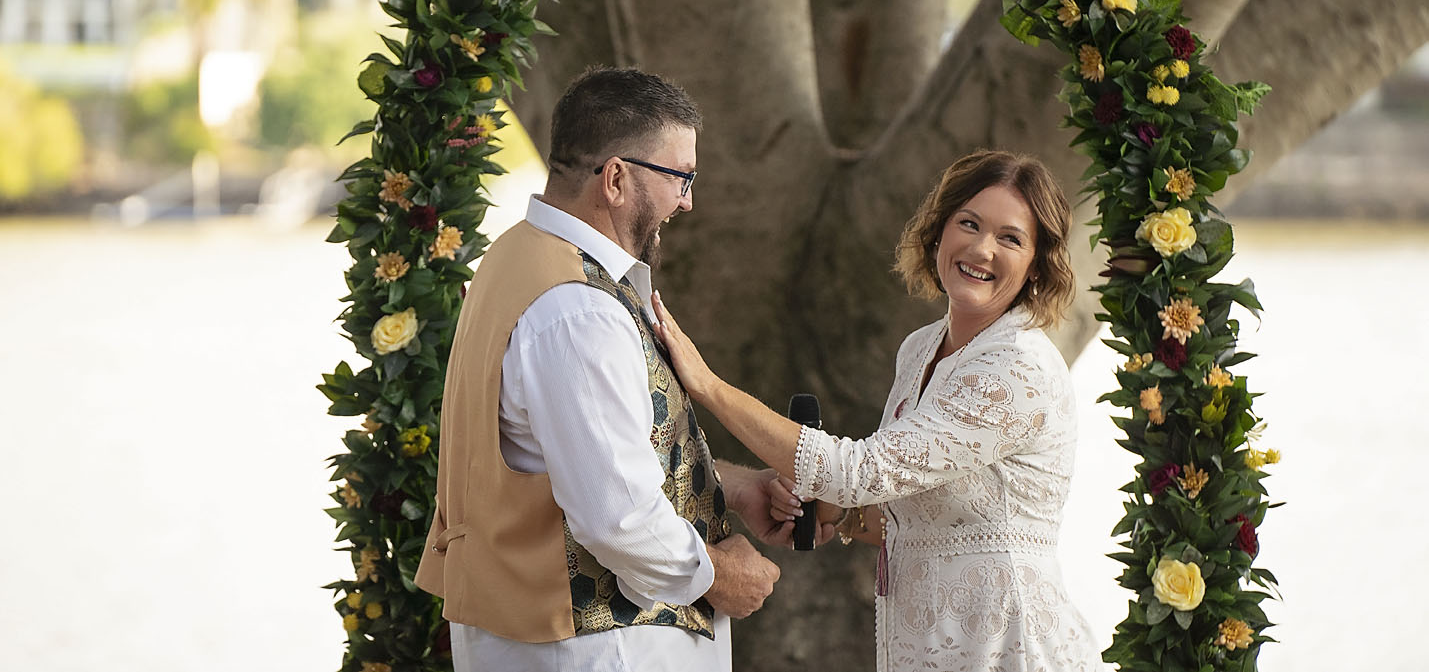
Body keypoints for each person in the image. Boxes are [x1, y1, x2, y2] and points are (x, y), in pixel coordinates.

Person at [653, 149, 1102, 671]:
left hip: (1009, 649)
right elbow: (915, 516)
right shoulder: (920, 348)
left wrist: (706, 385)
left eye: (1010, 238)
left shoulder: (1018, 369)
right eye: (969, 223)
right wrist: (837, 514)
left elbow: (857, 471)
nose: (982, 249)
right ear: (939, 231)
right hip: (925, 648)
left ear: (1035, 264)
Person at [415, 66, 792, 672]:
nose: (688, 200)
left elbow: (571, 456)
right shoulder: (578, 310)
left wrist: (729, 486)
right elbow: (616, 517)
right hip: (598, 649)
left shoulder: (513, 257)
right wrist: (719, 576)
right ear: (616, 178)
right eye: (681, 177)